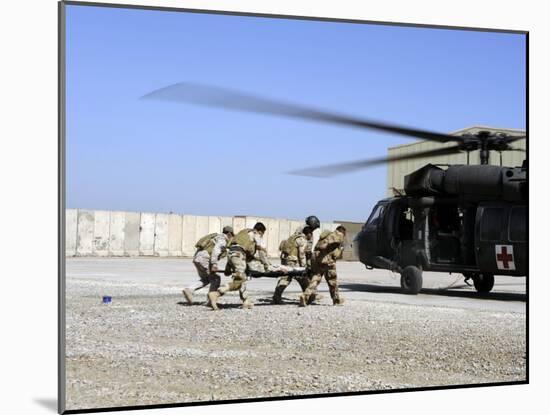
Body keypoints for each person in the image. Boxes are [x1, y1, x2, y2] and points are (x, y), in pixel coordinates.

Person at [208, 222, 271, 310]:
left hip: (232, 255)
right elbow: (261, 251)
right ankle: (217, 293)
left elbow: (233, 248)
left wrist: (228, 266)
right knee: (240, 280)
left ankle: (246, 301)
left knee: (242, 277)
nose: (261, 236)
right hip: (238, 255)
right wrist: (267, 265)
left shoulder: (243, 233)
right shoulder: (255, 234)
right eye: (262, 234)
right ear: (260, 231)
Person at [182, 226, 234, 305]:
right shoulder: (222, 240)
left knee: (206, 279)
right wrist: (214, 264)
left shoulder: (215, 237)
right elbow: (216, 251)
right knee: (216, 279)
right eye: (232, 235)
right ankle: (210, 300)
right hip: (205, 259)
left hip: (197, 258)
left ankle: (190, 289)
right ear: (229, 233)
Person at [299, 225, 347, 307]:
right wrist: (341, 249)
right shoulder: (338, 235)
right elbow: (337, 254)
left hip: (317, 258)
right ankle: (336, 300)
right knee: (332, 281)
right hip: (327, 260)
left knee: (316, 278)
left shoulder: (328, 234)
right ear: (343, 231)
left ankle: (305, 296)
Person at [272, 226, 314, 304]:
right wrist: (304, 267)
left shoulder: (293, 237)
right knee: (300, 278)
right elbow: (302, 255)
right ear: (308, 234)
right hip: (293, 262)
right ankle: (309, 297)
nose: (311, 236)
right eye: (311, 234)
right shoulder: (302, 240)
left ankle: (277, 296)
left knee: (287, 278)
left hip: (286, 260)